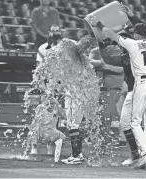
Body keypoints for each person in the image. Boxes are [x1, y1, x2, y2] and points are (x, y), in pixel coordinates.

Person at [90, 4, 146, 169]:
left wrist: (98, 24)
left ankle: (144, 155)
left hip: (141, 84)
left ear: (136, 35)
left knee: (135, 122)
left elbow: (110, 33)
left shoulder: (132, 45)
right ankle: (144, 155)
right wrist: (132, 16)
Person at [24, 29, 101, 165]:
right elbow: (86, 54)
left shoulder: (65, 48)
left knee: (73, 124)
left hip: (75, 91)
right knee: (75, 123)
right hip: (83, 90)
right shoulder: (74, 53)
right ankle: (79, 153)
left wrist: (92, 34)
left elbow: (82, 46)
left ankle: (76, 155)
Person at [25, 24, 64, 155]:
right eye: (53, 31)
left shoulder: (64, 47)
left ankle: (50, 146)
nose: (56, 33)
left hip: (58, 87)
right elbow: (38, 71)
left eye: (58, 31)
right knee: (39, 117)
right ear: (49, 33)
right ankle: (33, 146)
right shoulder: (43, 48)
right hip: (44, 87)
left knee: (54, 119)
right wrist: (44, 89)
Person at [89, 38, 125, 149]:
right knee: (103, 114)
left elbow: (122, 69)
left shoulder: (118, 52)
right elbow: (89, 62)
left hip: (114, 88)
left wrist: (104, 66)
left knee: (108, 115)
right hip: (102, 88)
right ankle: (104, 138)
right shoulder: (97, 51)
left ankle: (107, 139)